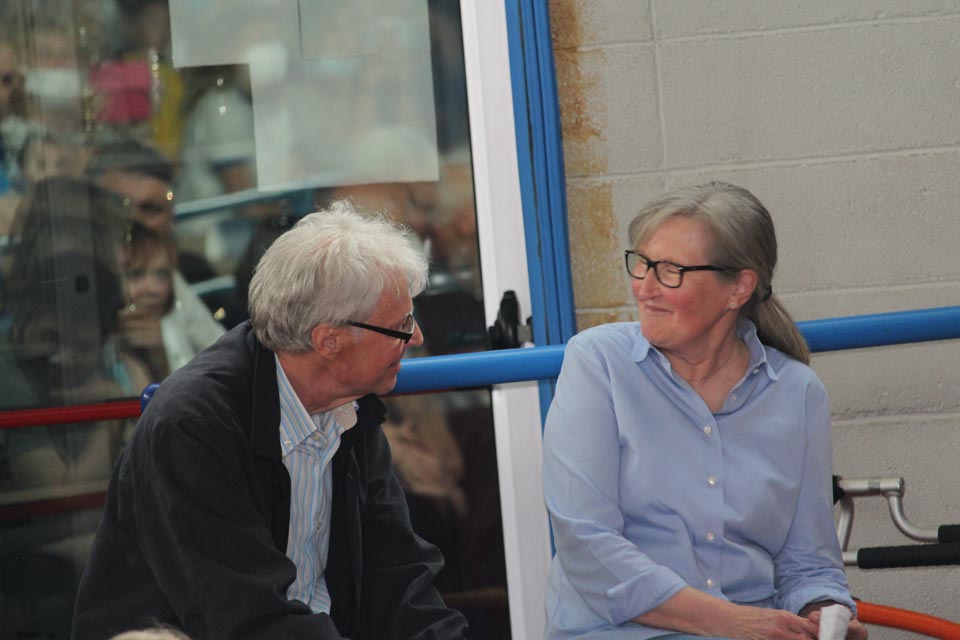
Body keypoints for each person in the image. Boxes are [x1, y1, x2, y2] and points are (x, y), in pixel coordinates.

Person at [72, 200, 470, 640]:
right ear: (329, 341)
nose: (416, 337)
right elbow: (244, 615)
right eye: (402, 324)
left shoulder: (352, 409)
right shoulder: (194, 426)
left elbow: (399, 579)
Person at [542, 182, 868, 640]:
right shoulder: (599, 362)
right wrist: (730, 622)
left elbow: (809, 563)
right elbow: (586, 540)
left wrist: (825, 616)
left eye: (670, 271)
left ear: (739, 288)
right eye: (642, 263)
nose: (644, 288)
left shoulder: (799, 393)